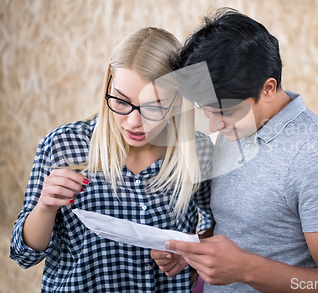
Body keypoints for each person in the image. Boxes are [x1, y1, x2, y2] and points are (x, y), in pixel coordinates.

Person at [151, 9, 318, 292]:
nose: (214, 126)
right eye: (206, 112)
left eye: (223, 112)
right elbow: (241, 230)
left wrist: (246, 269)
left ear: (268, 89)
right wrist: (194, 252)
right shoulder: (236, 125)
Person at [10, 27, 213, 292]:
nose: (134, 122)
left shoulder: (198, 151)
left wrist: (188, 252)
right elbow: (24, 255)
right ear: (109, 84)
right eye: (121, 100)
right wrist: (45, 207)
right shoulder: (63, 146)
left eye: (154, 106)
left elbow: (215, 232)